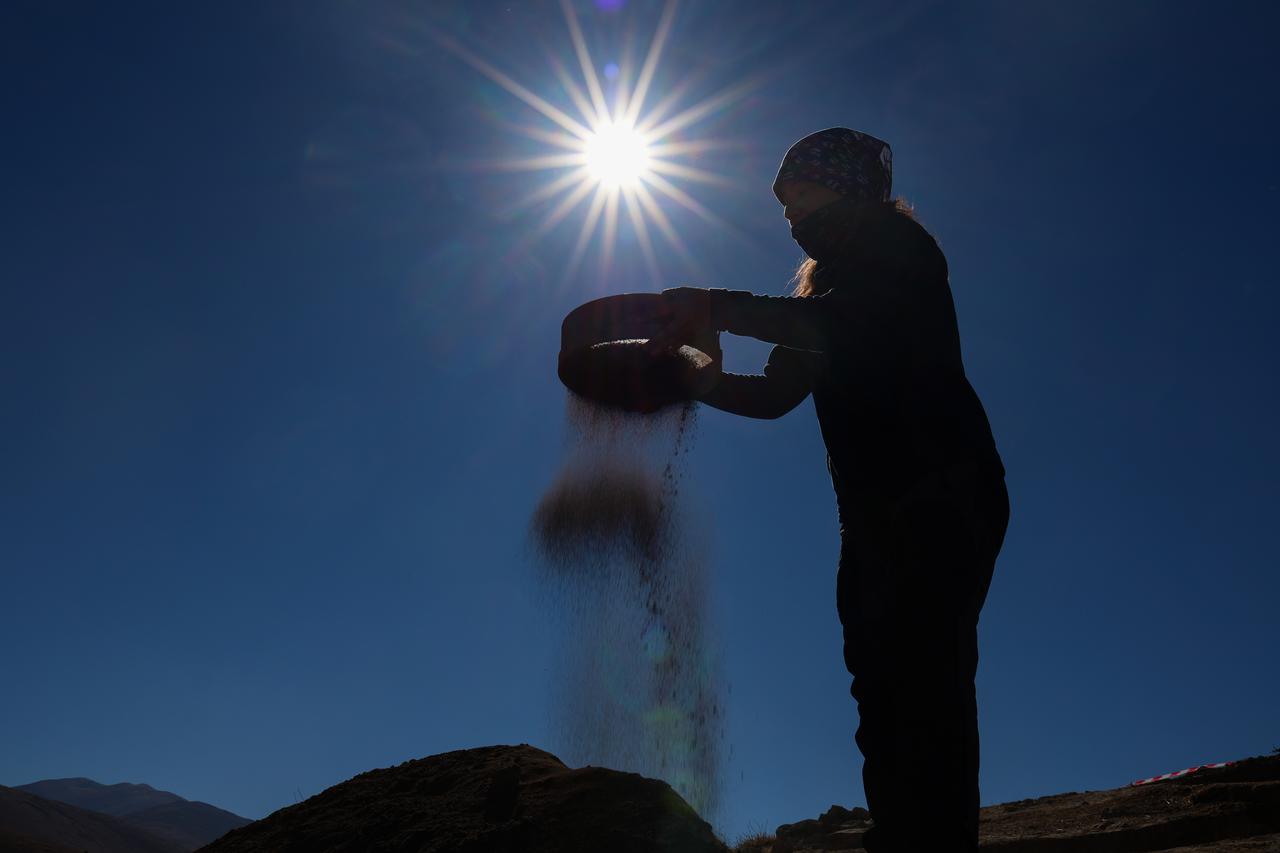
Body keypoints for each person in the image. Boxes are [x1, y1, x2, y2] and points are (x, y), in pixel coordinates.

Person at [655, 128, 1010, 853]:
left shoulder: (899, 256)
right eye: (784, 204)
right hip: (873, 515)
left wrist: (713, 307)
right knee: (881, 691)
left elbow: (844, 328)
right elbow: (773, 396)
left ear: (849, 190)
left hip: (939, 490)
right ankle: (905, 835)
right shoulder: (825, 289)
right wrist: (697, 379)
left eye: (804, 194)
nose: (792, 216)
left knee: (924, 683)